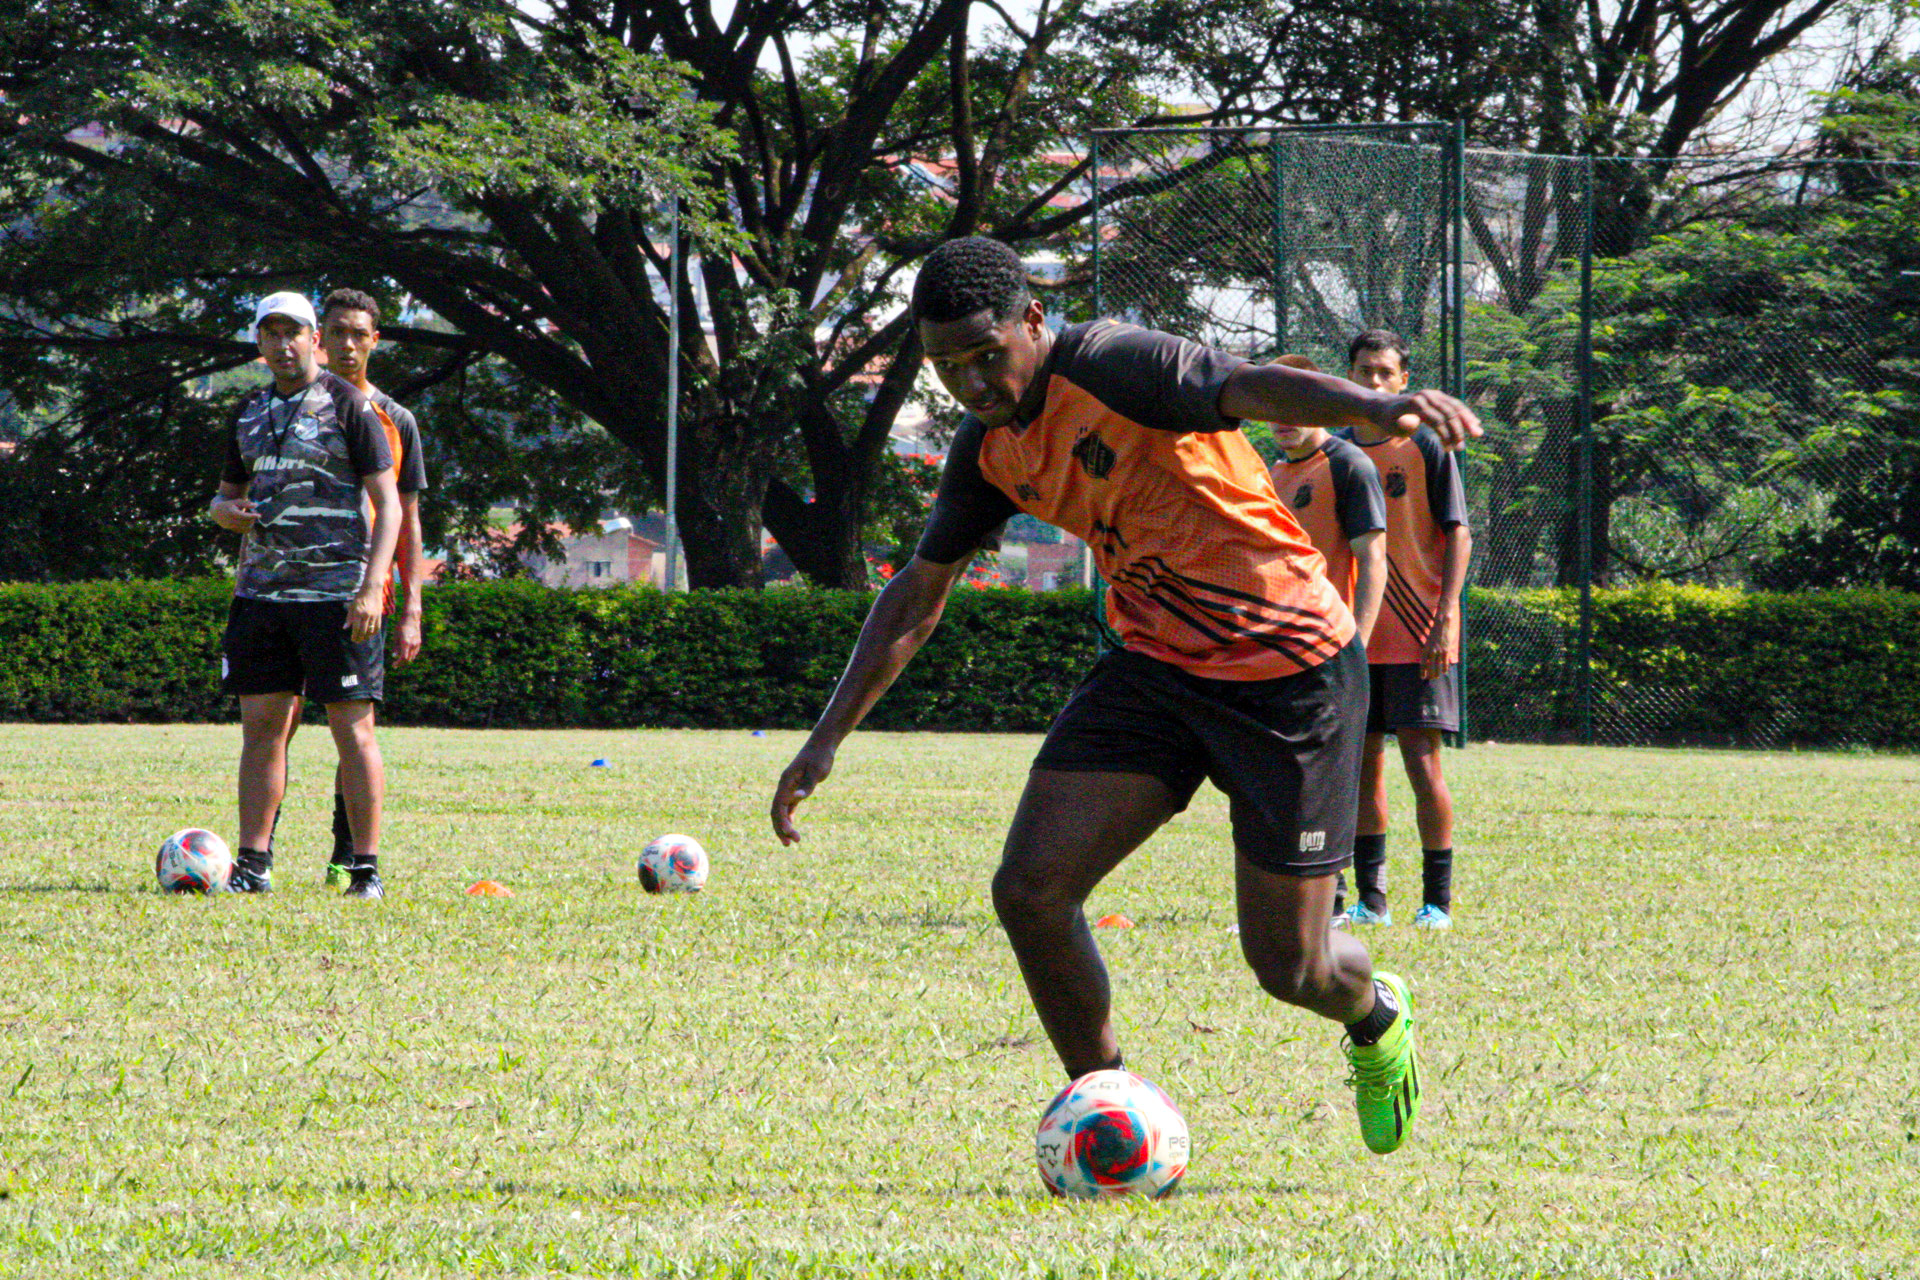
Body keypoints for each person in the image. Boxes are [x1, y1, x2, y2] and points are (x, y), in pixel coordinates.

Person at [769, 237, 1481, 1155]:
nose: (977, 383)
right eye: (950, 369)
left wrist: (1378, 408)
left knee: (1292, 966)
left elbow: (1251, 383)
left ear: (1033, 320)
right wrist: (826, 739)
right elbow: (919, 588)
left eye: (989, 355)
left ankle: (1377, 1015)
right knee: (1031, 890)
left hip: (1290, 671)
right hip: (1154, 668)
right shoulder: (988, 450)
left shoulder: (1115, 363)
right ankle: (1106, 1114)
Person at [209, 291, 400, 900]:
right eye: (271, 333)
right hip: (262, 597)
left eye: (295, 332)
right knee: (260, 729)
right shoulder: (247, 411)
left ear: (314, 339)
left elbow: (389, 504)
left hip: (336, 599)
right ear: (258, 342)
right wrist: (225, 513)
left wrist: (373, 587)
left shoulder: (349, 405)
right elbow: (223, 494)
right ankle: (253, 864)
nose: (283, 343)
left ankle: (364, 868)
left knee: (354, 731)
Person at [1339, 329, 1472, 931]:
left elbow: (1458, 531)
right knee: (1362, 764)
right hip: (1354, 635)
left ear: (1402, 380)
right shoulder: (1336, 450)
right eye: (1364, 371)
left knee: (1423, 762)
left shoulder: (1425, 445)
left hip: (1420, 627)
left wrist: (1447, 614)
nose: (1373, 383)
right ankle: (1372, 900)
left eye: (1384, 373)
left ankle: (1437, 903)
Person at [1264, 354, 1388, 926]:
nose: (1283, 419)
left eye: (1295, 406)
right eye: (1272, 408)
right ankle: (1308, 900)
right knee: (1287, 777)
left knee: (1333, 777)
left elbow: (1373, 558)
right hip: (1278, 652)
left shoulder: (1349, 465)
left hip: (1331, 651)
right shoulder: (1268, 474)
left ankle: (1341, 904)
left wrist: (1355, 647)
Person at [315, 288, 429, 890]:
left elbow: (407, 520)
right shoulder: (292, 408)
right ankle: (261, 858)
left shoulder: (396, 419)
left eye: (360, 333)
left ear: (375, 341)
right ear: (321, 337)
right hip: (294, 588)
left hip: (365, 592)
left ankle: (344, 854)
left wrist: (411, 604)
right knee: (274, 722)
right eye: (338, 332)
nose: (349, 344)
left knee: (352, 726)